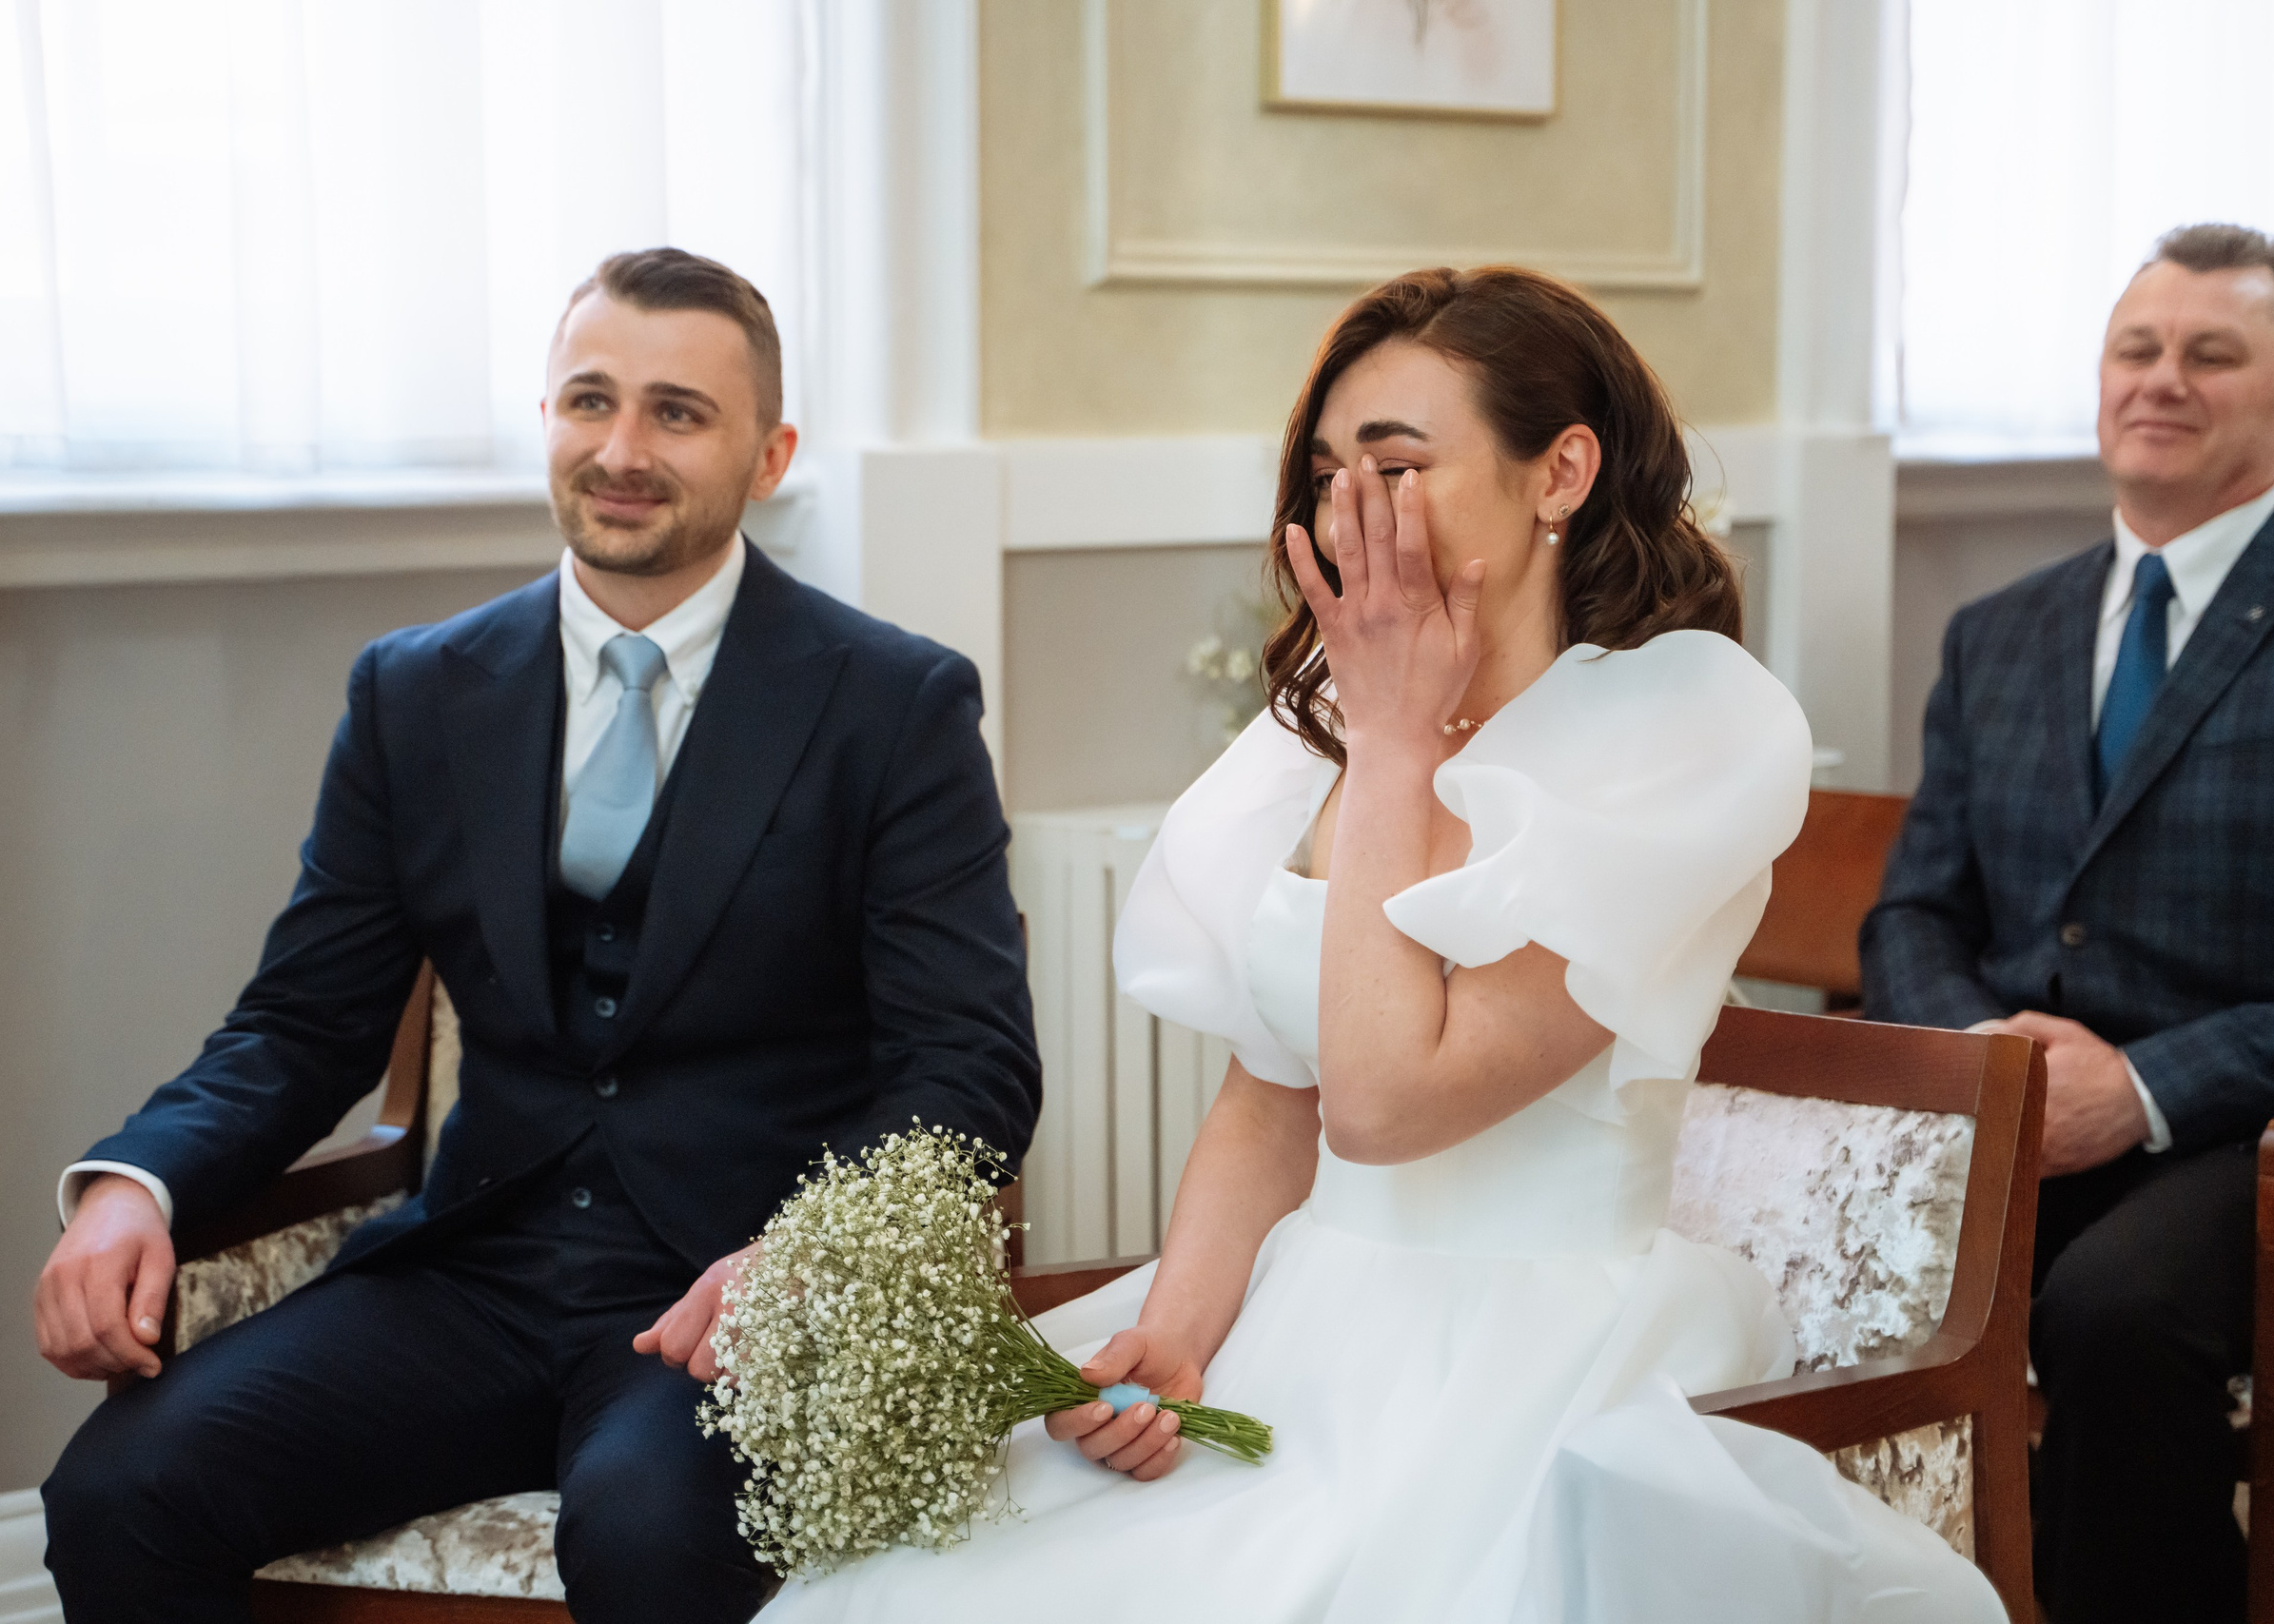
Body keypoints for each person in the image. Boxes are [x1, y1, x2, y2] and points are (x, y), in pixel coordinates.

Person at [755, 266, 2005, 1621]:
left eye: (1400, 465)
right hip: (1302, 1317)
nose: (1352, 508)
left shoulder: (1686, 731)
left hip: (1527, 1357)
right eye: (1330, 468)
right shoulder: (1320, 736)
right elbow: (1269, 1090)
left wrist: (1400, 743)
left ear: (1561, 472)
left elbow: (1388, 1103)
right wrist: (1178, 1331)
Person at [31, 247, 1041, 1624]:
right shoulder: (418, 691)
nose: (622, 450)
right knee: (117, 1493)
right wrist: (132, 1185)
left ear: (769, 453)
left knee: (643, 1536)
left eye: (678, 413)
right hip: (475, 1277)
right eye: (589, 401)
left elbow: (966, 1063)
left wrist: (805, 1267)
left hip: (724, 1301)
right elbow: (302, 1022)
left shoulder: (894, 704)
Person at [1862, 222, 2274, 1624]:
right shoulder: (1999, 632)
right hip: (2009, 1109)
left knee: (2113, 1316)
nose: (2162, 379)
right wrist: (1987, 1054)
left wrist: (2147, 1089)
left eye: (2212, 354)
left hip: (2242, 1131)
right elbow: (1917, 908)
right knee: (1780, 1257)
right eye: (2137, 349)